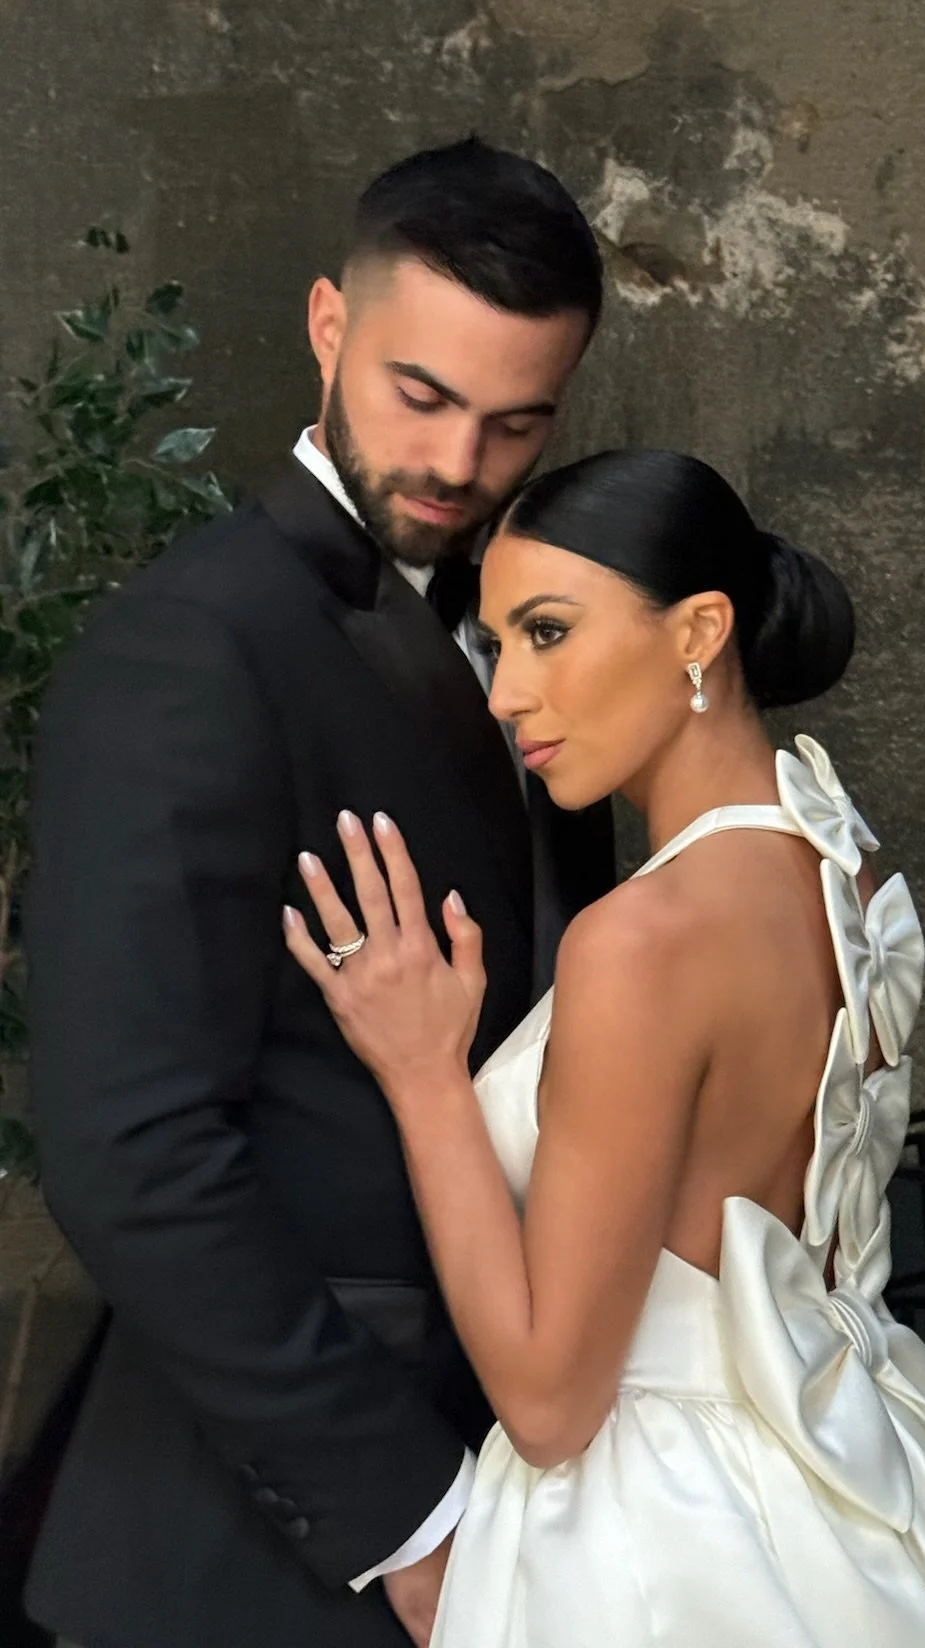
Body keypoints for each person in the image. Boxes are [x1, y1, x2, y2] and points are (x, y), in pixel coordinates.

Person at [283, 448, 925, 1648]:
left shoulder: (643, 940)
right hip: (847, 1503)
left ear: (700, 630)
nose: (506, 693)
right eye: (498, 642)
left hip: (654, 1532)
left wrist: (422, 1074)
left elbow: (550, 1401)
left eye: (548, 632)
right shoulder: (847, 866)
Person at [23, 138, 616, 1648]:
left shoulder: (546, 631)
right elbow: (130, 1146)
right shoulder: (191, 650)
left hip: (533, 1447)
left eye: (515, 423)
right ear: (329, 326)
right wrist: (411, 1517)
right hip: (283, 1533)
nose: (459, 464)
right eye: (421, 396)